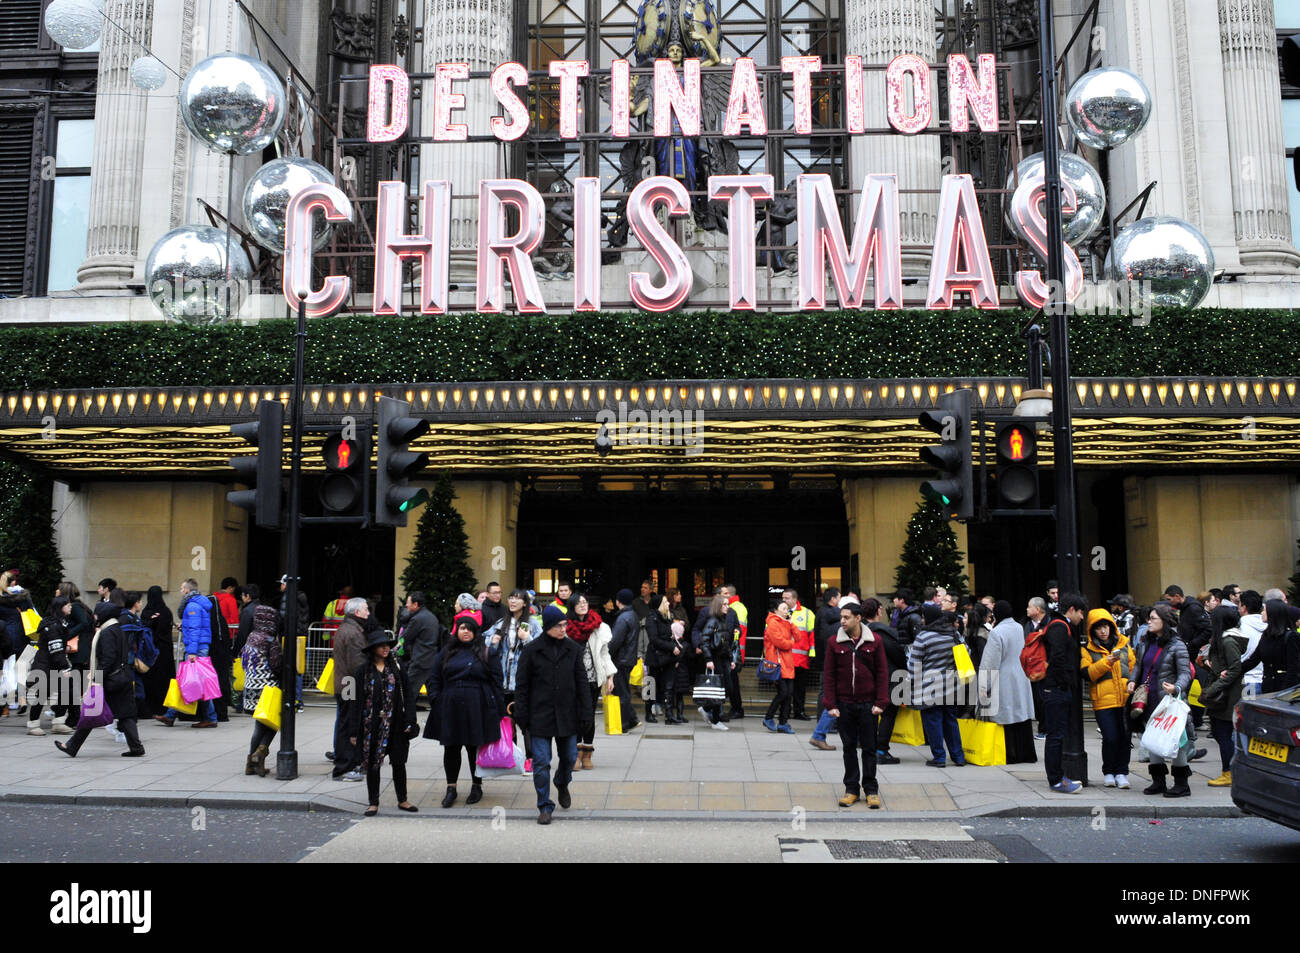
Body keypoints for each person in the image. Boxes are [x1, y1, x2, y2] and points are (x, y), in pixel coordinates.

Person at [514, 605, 592, 824]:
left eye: (565, 624)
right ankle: (544, 805)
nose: (563, 628)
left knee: (568, 758)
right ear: (548, 626)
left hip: (567, 714)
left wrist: (586, 712)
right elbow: (522, 685)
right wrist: (522, 715)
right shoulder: (531, 651)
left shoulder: (573, 649)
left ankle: (561, 782)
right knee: (541, 762)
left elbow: (582, 683)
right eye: (558, 625)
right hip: (539, 714)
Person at [425, 617, 504, 808]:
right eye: (462, 628)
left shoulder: (485, 652)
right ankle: (451, 787)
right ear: (457, 631)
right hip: (450, 704)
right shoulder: (446, 652)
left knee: (473, 748)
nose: (466, 632)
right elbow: (434, 677)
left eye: (470, 629)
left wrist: (496, 708)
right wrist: (437, 698)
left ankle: (477, 785)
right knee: (451, 747)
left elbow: (497, 681)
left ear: (476, 632)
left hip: (477, 705)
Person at [55, 602, 144, 758]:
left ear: (103, 615)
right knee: (126, 714)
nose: (94, 617)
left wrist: (97, 677)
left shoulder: (107, 632)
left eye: (97, 614)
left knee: (92, 711)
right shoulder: (117, 629)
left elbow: (108, 659)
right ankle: (136, 748)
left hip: (111, 680)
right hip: (123, 676)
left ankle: (72, 746)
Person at [823, 601, 890, 808]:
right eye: (841, 617)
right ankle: (851, 789)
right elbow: (829, 675)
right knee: (849, 747)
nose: (842, 621)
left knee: (869, 748)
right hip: (844, 704)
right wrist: (831, 704)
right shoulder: (834, 642)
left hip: (868, 704)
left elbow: (882, 673)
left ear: (858, 618)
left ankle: (871, 790)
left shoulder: (875, 641)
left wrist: (881, 702)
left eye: (846, 617)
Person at [349, 628, 419, 815]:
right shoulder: (362, 671)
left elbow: (409, 695)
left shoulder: (396, 668)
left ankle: (402, 800)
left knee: (399, 763)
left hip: (395, 724)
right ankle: (373, 802)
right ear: (373, 649)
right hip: (371, 725)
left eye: (387, 645)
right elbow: (355, 702)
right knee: (373, 763)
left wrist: (410, 720)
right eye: (381, 645)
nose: (386, 648)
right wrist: (354, 730)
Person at [1128, 603, 1195, 797]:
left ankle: (1182, 784)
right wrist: (1133, 681)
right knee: (1152, 740)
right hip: (1149, 700)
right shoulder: (1146, 641)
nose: (1149, 621)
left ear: (1165, 622)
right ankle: (1158, 782)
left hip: (1168, 701)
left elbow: (1185, 673)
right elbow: (1138, 666)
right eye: (1149, 618)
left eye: (1153, 618)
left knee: (1177, 741)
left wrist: (1177, 688)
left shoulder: (1177, 645)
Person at [1081, 607, 1135, 788]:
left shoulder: (1125, 646)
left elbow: (1134, 669)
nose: (1103, 631)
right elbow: (1087, 674)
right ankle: (1109, 771)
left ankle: (1122, 772)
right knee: (1110, 737)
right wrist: (1107, 662)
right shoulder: (1087, 650)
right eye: (1098, 628)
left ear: (1112, 627)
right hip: (1103, 702)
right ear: (1092, 630)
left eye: (1106, 627)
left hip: (1125, 699)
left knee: (1125, 737)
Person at [978, 600, 1036, 763]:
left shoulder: (997, 632)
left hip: (1004, 677)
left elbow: (990, 661)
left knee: (1007, 716)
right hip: (1020, 674)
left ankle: (1010, 754)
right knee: (1021, 716)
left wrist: (984, 686)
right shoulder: (1018, 627)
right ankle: (1026, 754)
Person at [155, 579, 218, 729]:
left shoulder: (192, 606)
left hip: (196, 649)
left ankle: (208, 717)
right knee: (191, 681)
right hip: (198, 647)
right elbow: (194, 627)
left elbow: (196, 630)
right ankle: (172, 715)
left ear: (188, 591)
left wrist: (192, 652)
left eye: (182, 587)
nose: (180, 589)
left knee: (192, 681)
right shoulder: (196, 604)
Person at [909, 604, 965, 767]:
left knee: (933, 722)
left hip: (930, 688)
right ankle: (958, 756)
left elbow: (914, 663)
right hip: (952, 687)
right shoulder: (953, 634)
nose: (923, 620)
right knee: (951, 722)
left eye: (924, 617)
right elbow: (965, 654)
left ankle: (939, 757)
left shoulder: (923, 637)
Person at [486, 588, 541, 756]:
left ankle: (530, 758)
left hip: (523, 683)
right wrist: (493, 642)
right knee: (506, 723)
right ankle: (511, 756)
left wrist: (527, 639)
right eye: (511, 598)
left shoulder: (532, 624)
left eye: (517, 598)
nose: (513, 601)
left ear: (525, 603)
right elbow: (485, 645)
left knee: (526, 723)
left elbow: (540, 650)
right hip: (503, 683)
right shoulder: (501, 623)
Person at [1041, 592, 1086, 793]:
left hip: (1054, 688)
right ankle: (1056, 779)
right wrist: (1064, 683)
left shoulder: (1057, 624)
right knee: (1056, 736)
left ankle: (1057, 777)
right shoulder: (1060, 627)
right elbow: (1058, 658)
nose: (1082, 617)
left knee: (1056, 735)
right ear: (1071, 610)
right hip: (1056, 689)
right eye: (1081, 612)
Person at [567, 593, 615, 764]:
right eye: (578, 603)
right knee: (574, 716)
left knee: (588, 715)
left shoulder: (598, 626)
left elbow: (604, 654)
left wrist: (610, 676)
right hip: (571, 680)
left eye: (585, 602)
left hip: (592, 678)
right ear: (572, 606)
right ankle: (575, 753)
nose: (582, 605)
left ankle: (587, 752)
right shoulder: (565, 627)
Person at [1198, 620, 1245, 787]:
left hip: (1227, 695)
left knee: (1223, 733)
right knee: (1219, 732)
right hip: (1222, 693)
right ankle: (1230, 771)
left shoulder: (1228, 641)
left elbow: (1234, 668)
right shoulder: (1222, 640)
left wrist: (1214, 687)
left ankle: (1229, 773)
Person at [327, 598, 368, 780]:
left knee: (347, 722)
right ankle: (344, 767)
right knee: (348, 724)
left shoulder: (348, 628)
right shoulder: (353, 632)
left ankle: (350, 762)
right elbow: (357, 664)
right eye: (366, 609)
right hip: (350, 684)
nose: (368, 613)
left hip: (346, 682)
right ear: (357, 612)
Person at [241, 605, 282, 777]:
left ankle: (251, 763)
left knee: (259, 725)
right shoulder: (270, 639)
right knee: (272, 723)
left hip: (251, 688)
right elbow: (276, 664)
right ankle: (259, 754)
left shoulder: (252, 636)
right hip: (267, 688)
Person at [26, 597, 74, 735]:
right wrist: (65, 667)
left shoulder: (59, 623)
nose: (70, 607)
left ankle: (58, 722)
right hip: (46, 666)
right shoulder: (53, 626)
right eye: (68, 605)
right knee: (43, 694)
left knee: (66, 691)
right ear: (60, 608)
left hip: (51, 664)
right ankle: (33, 725)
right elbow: (56, 649)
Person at [1240, 598, 1300, 694]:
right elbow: (1253, 660)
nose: (1262, 613)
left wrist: (1284, 693)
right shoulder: (1266, 635)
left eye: (1264, 610)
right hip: (1268, 688)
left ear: (1273, 613)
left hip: (1285, 691)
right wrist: (1232, 671)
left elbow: (1294, 669)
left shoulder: (1291, 636)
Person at [695, 593, 737, 729]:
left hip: (723, 659)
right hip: (715, 658)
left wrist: (731, 658)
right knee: (719, 690)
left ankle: (706, 709)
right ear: (718, 606)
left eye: (727, 604)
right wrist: (708, 659)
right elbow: (704, 640)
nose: (727, 607)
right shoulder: (713, 621)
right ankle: (715, 721)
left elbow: (726, 643)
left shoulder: (722, 621)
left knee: (727, 689)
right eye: (724, 604)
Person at [608, 589, 641, 731]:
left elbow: (615, 641)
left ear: (618, 601)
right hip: (628, 658)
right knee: (623, 689)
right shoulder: (632, 615)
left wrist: (606, 653)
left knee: (621, 692)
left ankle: (625, 723)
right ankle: (632, 719)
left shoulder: (623, 618)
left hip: (621, 659)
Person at [761, 600, 796, 734]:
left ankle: (783, 723)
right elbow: (781, 643)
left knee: (788, 695)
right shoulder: (772, 623)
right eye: (783, 608)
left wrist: (792, 623)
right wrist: (791, 643)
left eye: (787, 608)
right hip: (777, 664)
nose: (786, 610)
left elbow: (798, 636)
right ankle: (769, 717)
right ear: (775, 610)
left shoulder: (786, 623)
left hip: (787, 664)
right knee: (783, 693)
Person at [140, 586, 175, 717]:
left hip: (150, 652)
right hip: (165, 651)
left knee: (149, 680)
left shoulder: (146, 612)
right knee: (164, 680)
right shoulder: (166, 611)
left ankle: (149, 707)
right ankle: (165, 707)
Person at [400, 591, 442, 703]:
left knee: (409, 693)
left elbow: (404, 638)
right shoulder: (431, 616)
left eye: (408, 603)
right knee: (433, 693)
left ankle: (408, 719)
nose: (406, 605)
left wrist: (396, 649)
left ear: (416, 604)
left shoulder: (417, 619)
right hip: (431, 658)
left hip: (420, 660)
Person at [782, 589, 816, 720]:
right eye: (783, 598)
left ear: (795, 599)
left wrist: (812, 655)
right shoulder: (778, 613)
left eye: (787, 598)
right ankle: (785, 712)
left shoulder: (807, 613)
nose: (784, 600)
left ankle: (799, 711)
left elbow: (812, 636)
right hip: (784, 658)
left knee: (800, 688)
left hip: (801, 658)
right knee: (785, 689)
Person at [642, 594, 676, 724]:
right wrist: (671, 647)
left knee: (669, 686)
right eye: (666, 601)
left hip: (668, 657)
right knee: (651, 685)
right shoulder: (652, 618)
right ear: (659, 604)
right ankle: (648, 712)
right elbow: (654, 639)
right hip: (655, 657)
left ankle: (669, 713)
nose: (668, 603)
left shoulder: (668, 617)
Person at [1024, 596, 1048, 737]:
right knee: (1036, 699)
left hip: (1043, 667)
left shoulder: (1049, 623)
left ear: (1037, 609)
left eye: (1029, 607)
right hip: (1031, 668)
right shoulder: (1027, 625)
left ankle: (1044, 728)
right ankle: (1042, 725)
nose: (1027, 609)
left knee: (1044, 699)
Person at [722, 584, 748, 719]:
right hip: (733, 652)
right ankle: (735, 708)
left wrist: (735, 654)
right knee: (730, 681)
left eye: (725, 593)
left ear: (729, 595)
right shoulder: (736, 607)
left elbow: (737, 633)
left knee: (731, 682)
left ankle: (737, 708)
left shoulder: (735, 608)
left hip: (732, 652)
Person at [1236, 589, 1266, 696]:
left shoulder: (1240, 628)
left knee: (1246, 712)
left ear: (1244, 607)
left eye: (1239, 603)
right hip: (1266, 681)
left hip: (1247, 680)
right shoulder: (1269, 627)